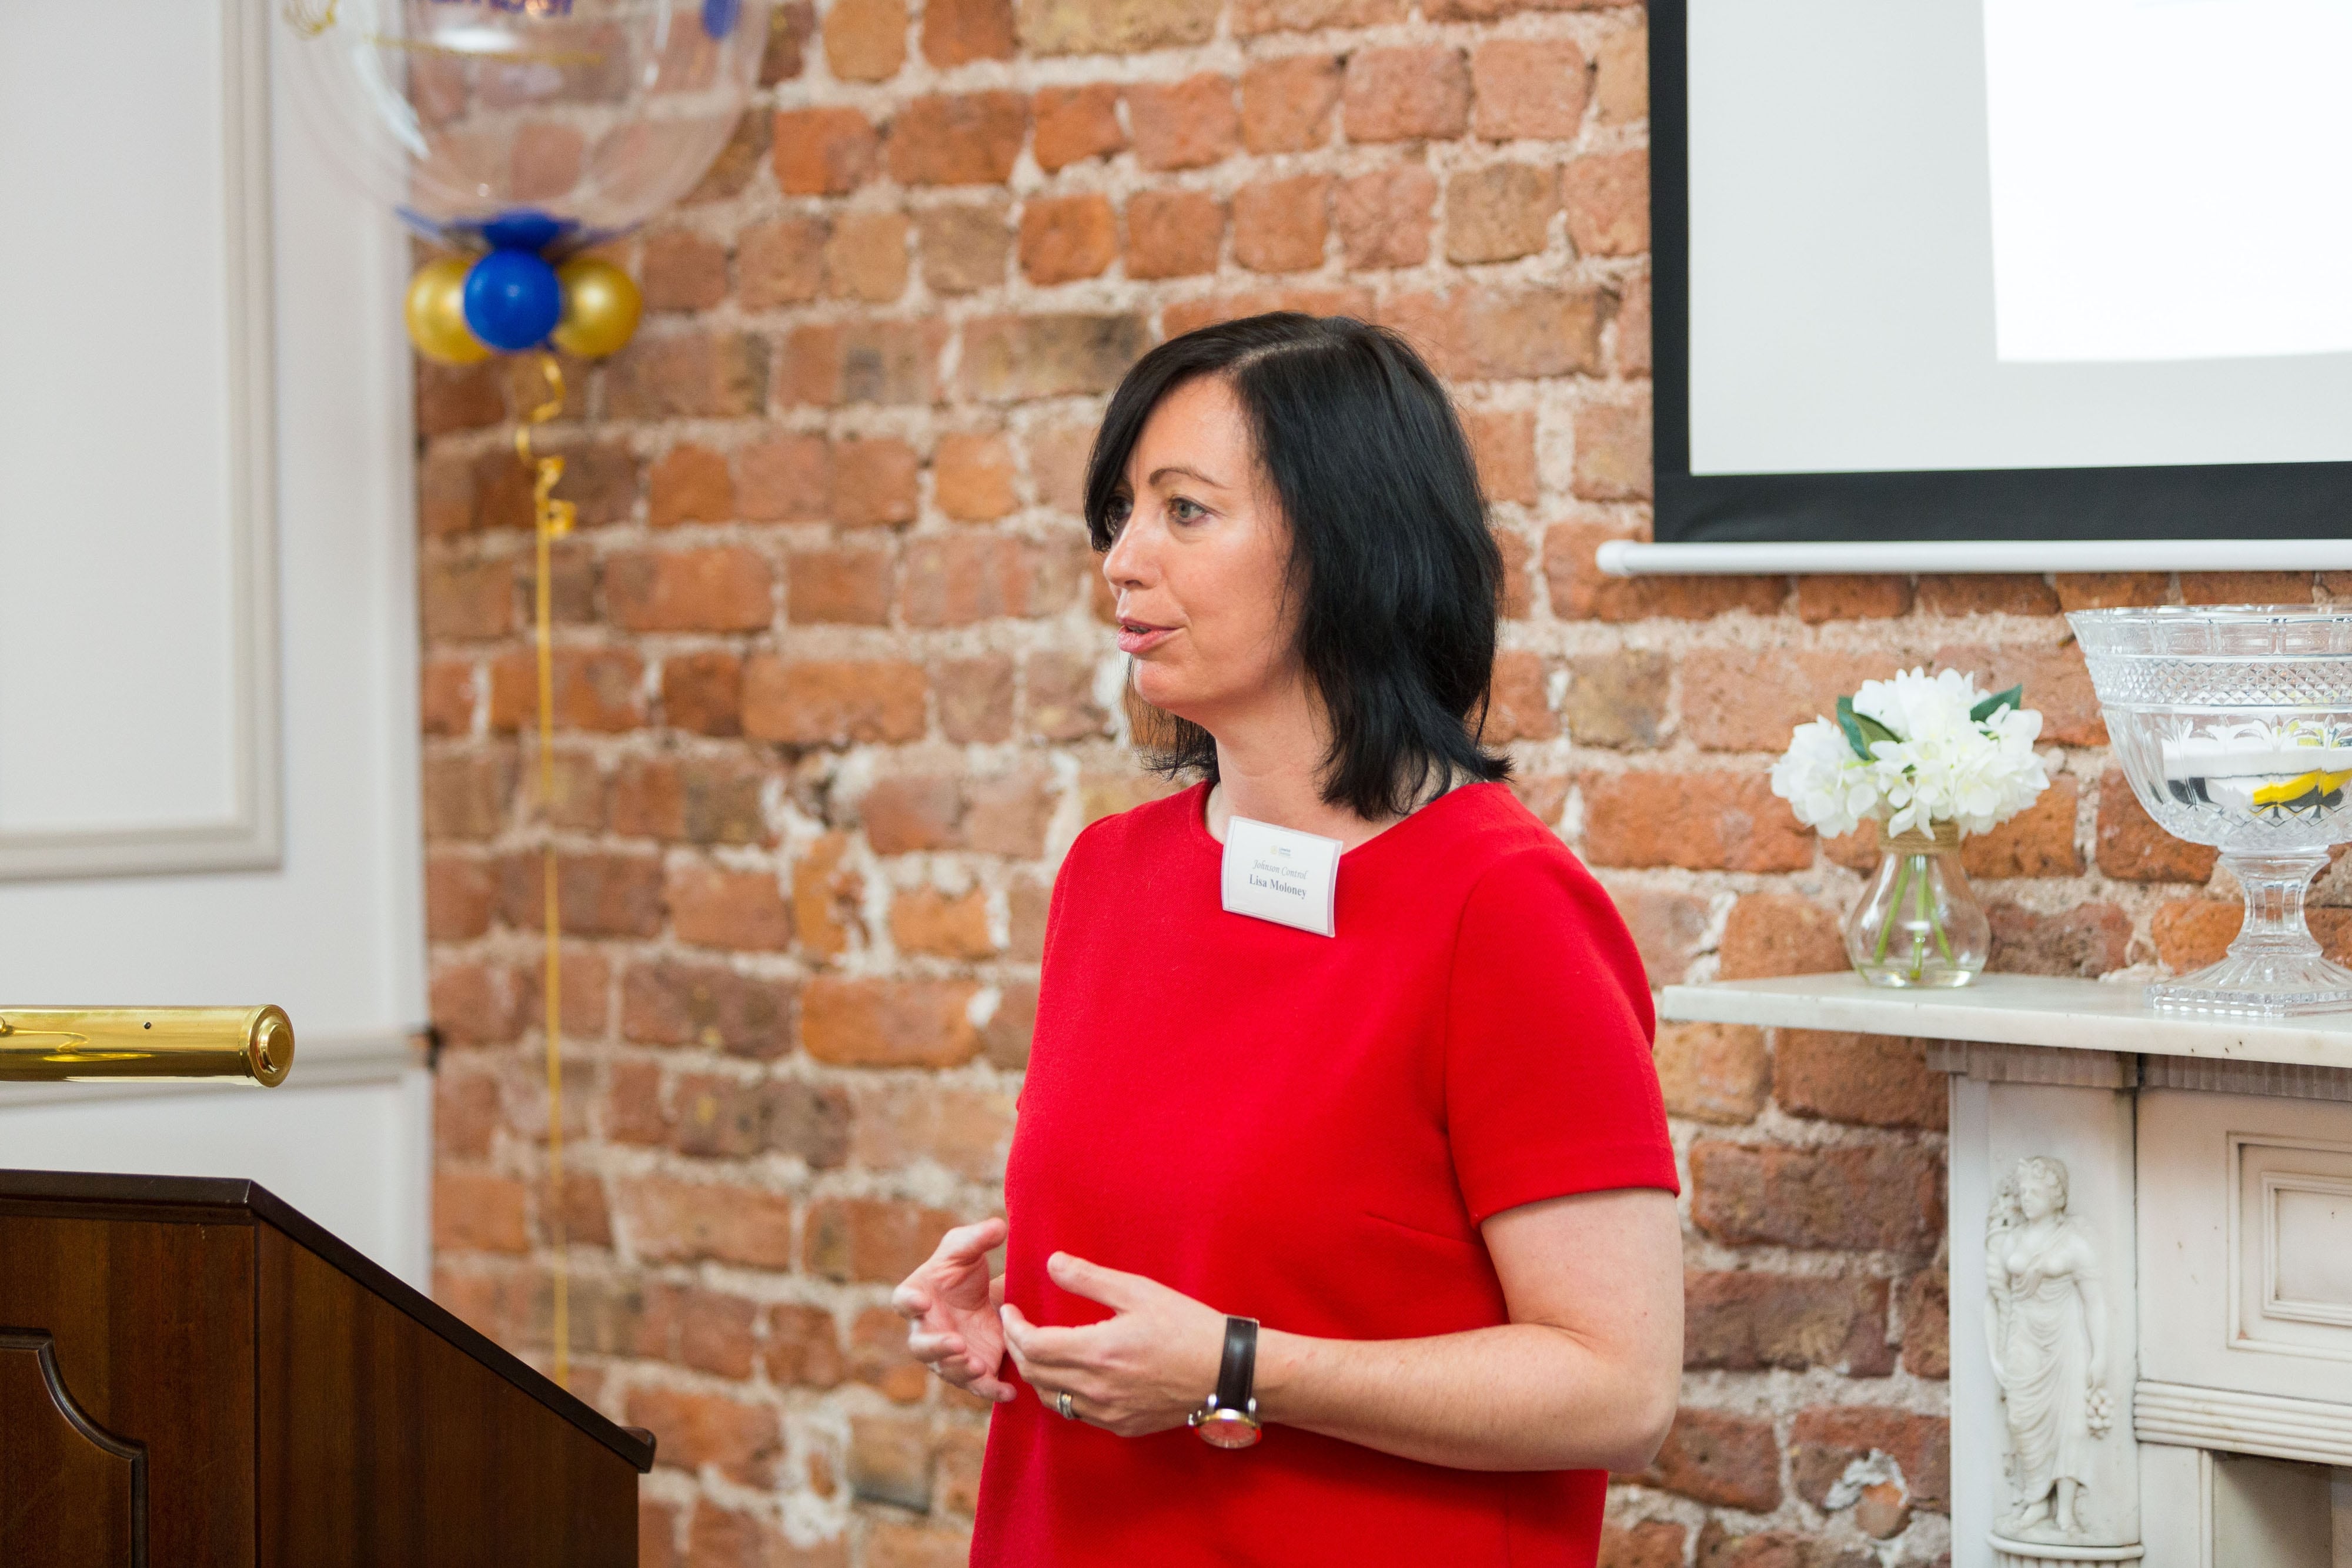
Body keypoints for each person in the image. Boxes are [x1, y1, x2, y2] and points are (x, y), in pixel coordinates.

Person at [891, 313, 1683, 1566]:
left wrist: (1235, 1367)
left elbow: (1618, 1389)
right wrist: (1037, 1337)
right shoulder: (1111, 875)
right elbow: (1204, 1253)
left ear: (1345, 547)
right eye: (1119, 512)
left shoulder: (1501, 906)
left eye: (1184, 511)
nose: (1121, 558)